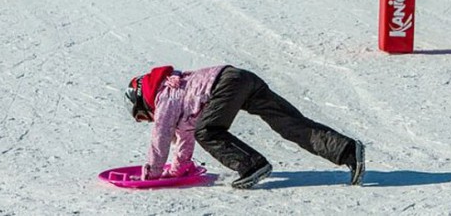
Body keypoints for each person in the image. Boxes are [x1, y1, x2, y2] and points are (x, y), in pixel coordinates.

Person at [124, 64, 365, 189]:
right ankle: (346, 150)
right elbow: (184, 139)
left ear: (143, 100)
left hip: (225, 84)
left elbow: (160, 139)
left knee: (207, 131)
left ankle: (252, 165)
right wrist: (178, 169)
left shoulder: (165, 96)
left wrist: (152, 175)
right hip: (241, 77)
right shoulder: (177, 91)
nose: (150, 119)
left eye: (144, 116)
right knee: (287, 122)